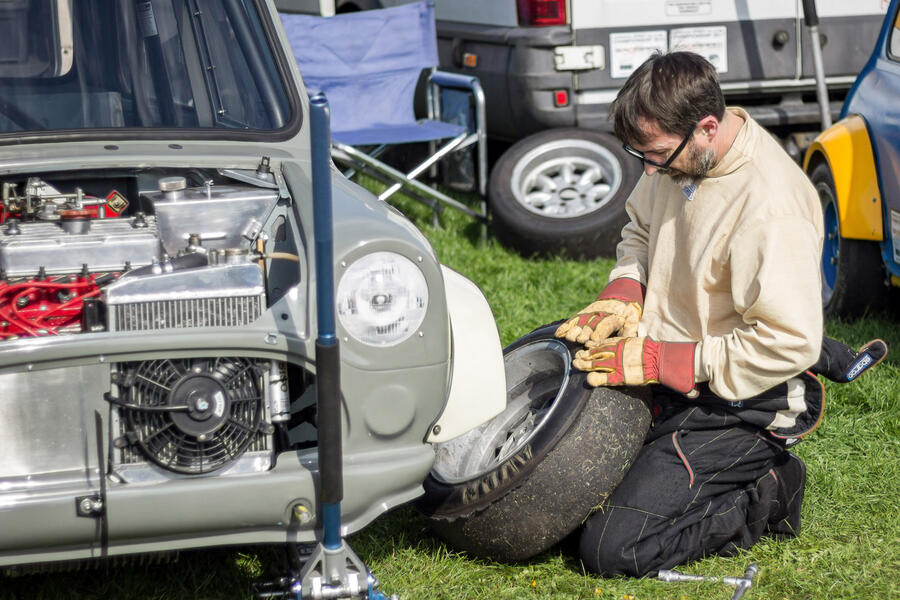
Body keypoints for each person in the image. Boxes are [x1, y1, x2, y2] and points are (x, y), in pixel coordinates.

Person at [554, 51, 887, 577]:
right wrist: (623, 290)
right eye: (638, 153)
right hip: (669, 368)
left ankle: (771, 490)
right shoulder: (679, 152)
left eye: (656, 155)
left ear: (707, 126)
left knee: (611, 548)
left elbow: (790, 344)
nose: (648, 168)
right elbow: (641, 228)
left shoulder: (772, 208)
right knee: (560, 494)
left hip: (745, 401)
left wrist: (663, 360)